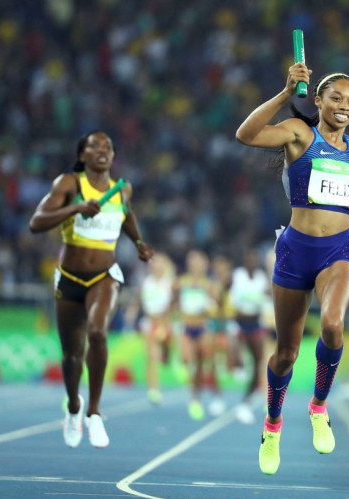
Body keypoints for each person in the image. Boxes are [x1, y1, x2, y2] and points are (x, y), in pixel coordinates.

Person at [236, 63, 349, 474]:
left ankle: (319, 406)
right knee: (285, 353)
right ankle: (272, 425)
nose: (344, 106)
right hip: (294, 251)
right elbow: (246, 135)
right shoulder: (300, 134)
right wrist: (285, 94)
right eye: (336, 98)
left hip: (339, 249)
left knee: (334, 325)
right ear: (317, 101)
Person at [29, 131, 154, 448]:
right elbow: (37, 222)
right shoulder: (68, 184)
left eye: (108, 147)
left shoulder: (121, 188)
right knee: (72, 356)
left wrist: (139, 243)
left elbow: (127, 216)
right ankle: (74, 407)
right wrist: (75, 209)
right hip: (70, 278)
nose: (102, 150)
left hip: (104, 275)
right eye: (94, 146)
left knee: (97, 333)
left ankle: (95, 414)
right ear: (82, 155)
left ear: (113, 156)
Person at [172, 249, 225, 420]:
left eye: (198, 262)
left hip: (203, 327)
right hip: (186, 326)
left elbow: (217, 305)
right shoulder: (181, 282)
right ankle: (195, 393)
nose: (195, 265)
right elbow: (173, 302)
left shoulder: (209, 284)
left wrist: (211, 303)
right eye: (192, 262)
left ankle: (198, 397)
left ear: (204, 265)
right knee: (187, 358)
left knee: (204, 363)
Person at [126, 252, 176, 405]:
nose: (155, 265)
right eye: (153, 262)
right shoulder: (146, 282)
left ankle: (166, 355)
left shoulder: (171, 282)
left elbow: (176, 302)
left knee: (164, 357)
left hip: (165, 323)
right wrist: (131, 313)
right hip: (150, 323)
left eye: (158, 262)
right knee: (151, 357)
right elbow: (138, 300)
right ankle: (153, 390)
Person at [230, 249, 270, 424]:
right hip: (239, 323)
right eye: (249, 260)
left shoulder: (261, 278)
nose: (252, 263)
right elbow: (228, 297)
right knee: (237, 354)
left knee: (259, 361)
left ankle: (250, 396)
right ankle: (237, 365)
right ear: (244, 263)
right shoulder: (237, 276)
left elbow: (268, 297)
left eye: (254, 261)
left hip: (255, 323)